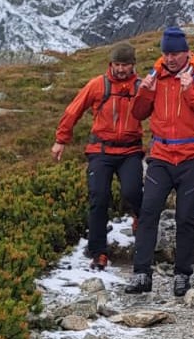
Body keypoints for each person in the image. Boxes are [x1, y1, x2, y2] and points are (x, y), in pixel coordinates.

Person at [126, 27, 194, 296]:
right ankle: (141, 274)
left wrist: (190, 92)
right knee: (148, 213)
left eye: (175, 53)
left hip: (193, 156)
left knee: (186, 218)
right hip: (161, 155)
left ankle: (182, 274)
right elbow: (138, 114)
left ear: (186, 52)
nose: (170, 59)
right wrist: (145, 93)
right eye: (166, 53)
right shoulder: (155, 76)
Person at [51, 43, 144, 271]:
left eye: (126, 65)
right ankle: (99, 252)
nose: (121, 69)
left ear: (133, 65)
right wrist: (61, 140)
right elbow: (74, 110)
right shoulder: (97, 85)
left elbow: (160, 113)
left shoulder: (142, 87)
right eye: (117, 64)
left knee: (132, 191)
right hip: (100, 151)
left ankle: (139, 218)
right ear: (111, 64)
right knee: (98, 198)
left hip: (130, 150)